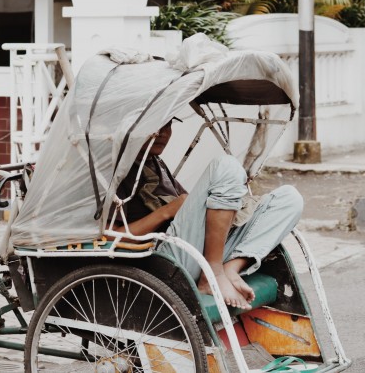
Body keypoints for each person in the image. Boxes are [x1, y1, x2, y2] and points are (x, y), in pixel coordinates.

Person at [114, 119, 303, 309]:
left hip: (196, 249)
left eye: (168, 125)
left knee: (289, 198)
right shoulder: (115, 171)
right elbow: (110, 238)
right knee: (226, 166)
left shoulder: (156, 163)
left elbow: (189, 208)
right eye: (155, 124)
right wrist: (166, 211)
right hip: (165, 260)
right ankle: (212, 274)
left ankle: (231, 267)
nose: (162, 132)